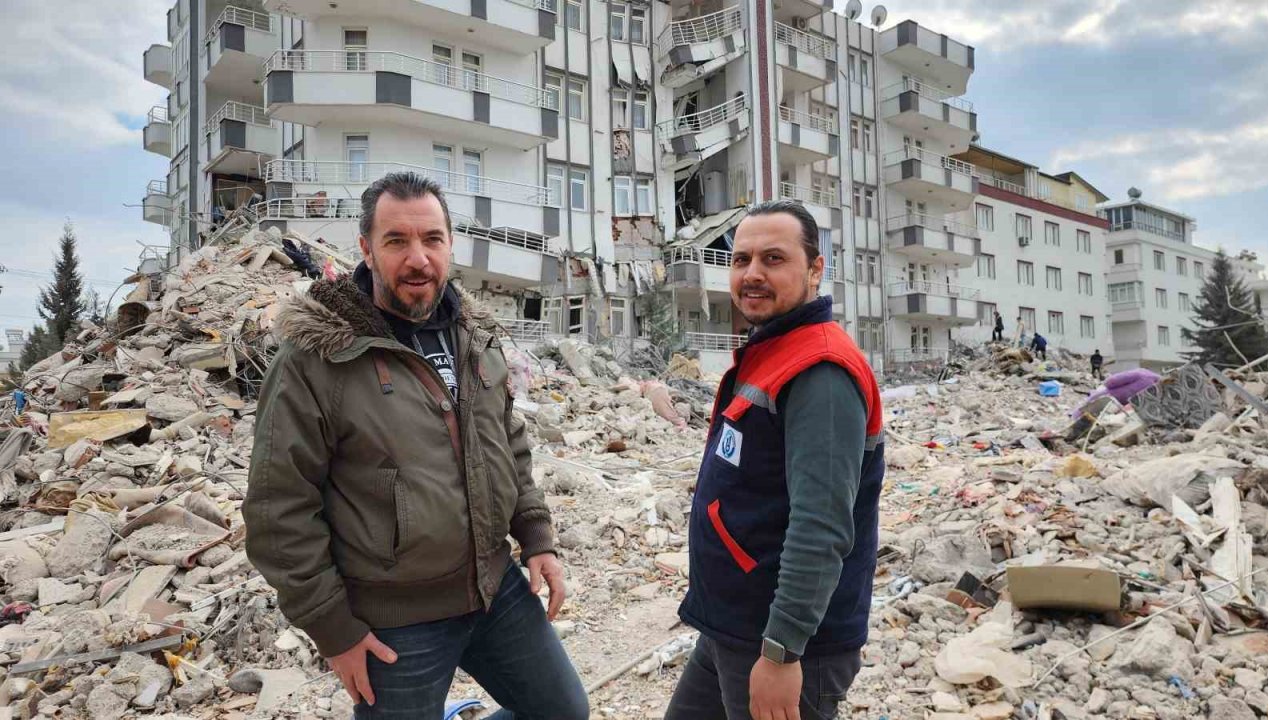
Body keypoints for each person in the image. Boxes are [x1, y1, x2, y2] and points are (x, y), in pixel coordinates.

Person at [245, 173, 588, 719]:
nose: (418, 259)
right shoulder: (317, 357)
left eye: (432, 239)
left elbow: (508, 443)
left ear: (450, 244)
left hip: (493, 588)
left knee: (562, 712)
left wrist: (536, 536)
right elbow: (277, 507)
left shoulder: (475, 336)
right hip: (395, 621)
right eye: (396, 241)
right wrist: (334, 631)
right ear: (366, 249)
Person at [664, 200, 883, 720]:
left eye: (773, 259)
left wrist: (782, 650)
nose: (752, 274)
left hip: (783, 646)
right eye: (741, 260)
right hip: (732, 630)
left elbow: (821, 525)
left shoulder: (821, 372)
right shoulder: (774, 351)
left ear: (814, 269)